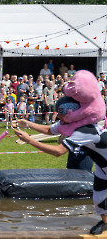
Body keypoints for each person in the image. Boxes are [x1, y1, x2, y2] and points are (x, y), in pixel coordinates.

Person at [13, 96, 101, 235]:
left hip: (93, 165)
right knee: (75, 192)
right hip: (80, 158)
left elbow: (58, 151)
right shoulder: (71, 122)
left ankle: (81, 226)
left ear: (71, 114)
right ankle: (75, 223)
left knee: (83, 195)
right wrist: (28, 124)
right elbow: (50, 130)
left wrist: (29, 140)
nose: (57, 115)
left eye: (60, 113)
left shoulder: (85, 129)